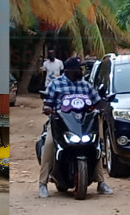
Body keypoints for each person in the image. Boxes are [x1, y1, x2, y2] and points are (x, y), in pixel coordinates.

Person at [38, 57, 113, 198]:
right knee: (49, 146)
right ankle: (42, 183)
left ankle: (101, 183)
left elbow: (97, 101)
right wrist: (48, 108)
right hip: (60, 124)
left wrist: (104, 108)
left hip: (83, 125)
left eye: (80, 68)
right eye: (78, 68)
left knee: (96, 146)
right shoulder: (56, 84)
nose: (80, 70)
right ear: (68, 70)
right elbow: (47, 102)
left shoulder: (85, 85)